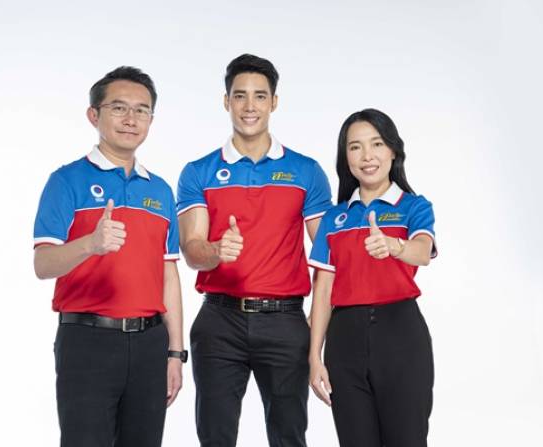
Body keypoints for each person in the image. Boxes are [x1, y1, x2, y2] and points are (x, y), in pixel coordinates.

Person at [177, 53, 333, 447]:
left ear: (274, 102)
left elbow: (328, 257)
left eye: (260, 96)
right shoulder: (198, 172)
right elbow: (192, 250)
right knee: (215, 436)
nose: (250, 106)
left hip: (285, 321)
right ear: (226, 101)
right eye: (240, 95)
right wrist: (215, 250)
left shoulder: (306, 171)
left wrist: (318, 328)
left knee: (289, 437)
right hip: (219, 321)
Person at [32, 66, 186, 447]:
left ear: (151, 119)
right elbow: (42, 264)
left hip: (150, 343)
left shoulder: (161, 191)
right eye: (119, 108)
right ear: (94, 115)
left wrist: (175, 352)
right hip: (88, 341)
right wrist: (91, 244)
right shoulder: (66, 181)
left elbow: (168, 276)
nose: (131, 119)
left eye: (141, 110)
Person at [308, 108, 437, 447]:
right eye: (355, 147)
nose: (367, 156)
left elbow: (423, 251)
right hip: (344, 340)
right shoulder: (334, 218)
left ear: (393, 151)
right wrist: (314, 356)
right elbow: (323, 288)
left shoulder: (413, 206)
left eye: (377, 144)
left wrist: (395, 246)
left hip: (401, 336)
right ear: (346, 157)